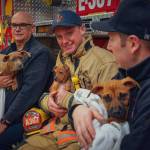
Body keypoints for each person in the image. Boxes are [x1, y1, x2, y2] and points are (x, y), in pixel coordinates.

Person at [18, 10, 118, 150]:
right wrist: (48, 102)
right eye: (59, 37)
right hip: (56, 129)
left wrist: (68, 100)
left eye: (69, 33)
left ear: (82, 29)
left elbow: (107, 113)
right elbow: (53, 90)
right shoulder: (63, 57)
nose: (64, 41)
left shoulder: (105, 62)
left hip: (83, 136)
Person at [68, 0, 150, 150]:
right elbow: (94, 99)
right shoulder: (125, 72)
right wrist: (77, 108)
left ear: (133, 44)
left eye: (111, 38)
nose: (108, 46)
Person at [0, 11, 55, 150]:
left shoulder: (40, 53)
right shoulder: (6, 52)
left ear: (32, 28)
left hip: (24, 118)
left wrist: (5, 121)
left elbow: (29, 92)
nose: (17, 29)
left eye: (22, 25)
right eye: (14, 25)